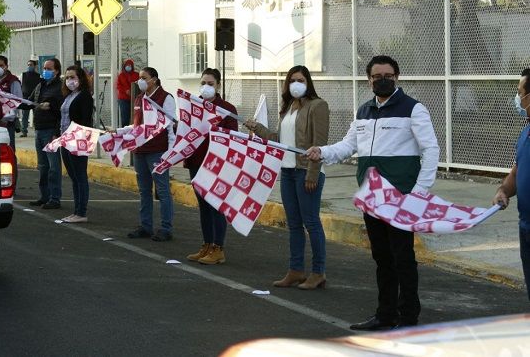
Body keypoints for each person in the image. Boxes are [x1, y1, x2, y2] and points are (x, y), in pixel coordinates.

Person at [305, 55, 439, 330]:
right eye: (377, 77)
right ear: (369, 81)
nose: (382, 80)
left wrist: (419, 192)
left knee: (403, 259)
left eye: (388, 75)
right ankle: (385, 314)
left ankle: (408, 318)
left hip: (401, 198)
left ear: (397, 77)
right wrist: (322, 152)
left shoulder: (414, 109)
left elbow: (431, 150)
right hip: (372, 198)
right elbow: (347, 145)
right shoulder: (364, 111)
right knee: (382, 258)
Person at [245, 65, 330, 289]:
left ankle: (318, 272)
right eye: (292, 80)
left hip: (306, 172)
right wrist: (258, 128)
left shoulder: (318, 106)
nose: (296, 84)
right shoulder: (288, 108)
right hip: (288, 171)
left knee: (311, 222)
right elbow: (279, 139)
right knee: (293, 224)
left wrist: (312, 173)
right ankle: (296, 270)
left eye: (301, 80)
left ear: (308, 82)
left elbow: (319, 144)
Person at [185, 68, 238, 264]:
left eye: (210, 84)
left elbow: (232, 137)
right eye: (203, 83)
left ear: (218, 86)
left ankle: (218, 248)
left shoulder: (227, 109)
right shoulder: (194, 105)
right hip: (196, 161)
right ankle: (207, 244)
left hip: (216, 163)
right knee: (203, 207)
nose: (206, 87)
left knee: (216, 206)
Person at [492, 68, 530, 299]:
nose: (517, 99)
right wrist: (503, 190)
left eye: (520, 93)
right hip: (526, 227)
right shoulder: (526, 132)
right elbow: (516, 174)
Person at [127, 67, 176, 242]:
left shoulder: (165, 98)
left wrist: (170, 153)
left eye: (144, 78)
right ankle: (145, 226)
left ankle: (166, 228)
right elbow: (137, 126)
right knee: (144, 191)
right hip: (140, 151)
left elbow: (170, 127)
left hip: (158, 151)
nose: (140, 81)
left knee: (162, 190)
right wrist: (119, 132)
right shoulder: (139, 98)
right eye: (139, 78)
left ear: (154, 79)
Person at [20, 58, 64, 209]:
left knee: (53, 167)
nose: (45, 71)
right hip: (39, 130)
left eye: (49, 68)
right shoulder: (40, 85)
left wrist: (57, 133)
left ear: (56, 71)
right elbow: (29, 102)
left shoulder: (60, 88)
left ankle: (55, 198)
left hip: (51, 131)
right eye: (44, 68)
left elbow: (62, 113)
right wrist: (12, 100)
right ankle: (44, 196)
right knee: (43, 166)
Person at [60, 64, 94, 223]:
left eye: (72, 77)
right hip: (65, 139)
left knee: (80, 176)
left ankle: (82, 212)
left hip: (78, 140)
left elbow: (85, 119)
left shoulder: (84, 95)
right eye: (67, 77)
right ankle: (76, 211)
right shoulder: (69, 96)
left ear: (80, 78)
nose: (69, 80)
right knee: (73, 177)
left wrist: (76, 137)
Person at [0, 55, 22, 151]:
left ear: (6, 66)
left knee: (8, 150)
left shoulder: (13, 81)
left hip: (6, 123)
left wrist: (7, 118)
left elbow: (17, 101)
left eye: (1, 65)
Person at [116, 59, 139, 127]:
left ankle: (134, 130)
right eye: (127, 65)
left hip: (135, 99)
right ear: (124, 66)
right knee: (125, 117)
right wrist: (126, 90)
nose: (128, 67)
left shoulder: (137, 75)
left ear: (132, 66)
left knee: (135, 116)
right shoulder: (121, 75)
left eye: (130, 65)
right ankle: (124, 131)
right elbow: (118, 86)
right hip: (123, 99)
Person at [21, 59, 40, 137]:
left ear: (35, 66)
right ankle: (24, 131)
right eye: (28, 65)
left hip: (35, 99)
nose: (29, 66)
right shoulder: (23, 75)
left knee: (36, 116)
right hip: (25, 98)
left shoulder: (38, 76)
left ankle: (37, 131)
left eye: (31, 65)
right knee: (25, 116)